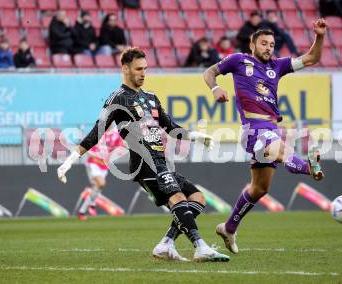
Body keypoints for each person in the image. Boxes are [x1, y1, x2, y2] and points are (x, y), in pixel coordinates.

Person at [57, 47, 230, 262]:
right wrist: (71, 159)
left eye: (145, 68)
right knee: (176, 197)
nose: (143, 73)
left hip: (161, 161)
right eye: (138, 69)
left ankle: (166, 244)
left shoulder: (150, 97)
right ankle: (200, 246)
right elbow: (96, 133)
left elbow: (170, 127)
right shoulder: (117, 99)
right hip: (143, 163)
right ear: (125, 69)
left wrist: (194, 136)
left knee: (197, 198)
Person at [203, 19, 328, 254]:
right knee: (281, 150)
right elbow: (209, 72)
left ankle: (228, 228)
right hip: (253, 128)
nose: (269, 47)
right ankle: (307, 167)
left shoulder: (278, 66)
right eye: (264, 43)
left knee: (259, 188)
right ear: (252, 44)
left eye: (272, 44)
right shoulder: (238, 60)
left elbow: (311, 58)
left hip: (271, 128)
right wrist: (214, 88)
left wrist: (319, 36)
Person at [77, 127, 126, 220]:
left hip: (104, 166)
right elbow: (86, 146)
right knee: (101, 183)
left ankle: (82, 211)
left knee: (97, 188)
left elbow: (121, 147)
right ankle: (91, 204)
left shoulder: (116, 134)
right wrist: (91, 154)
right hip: (93, 163)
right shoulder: (98, 132)